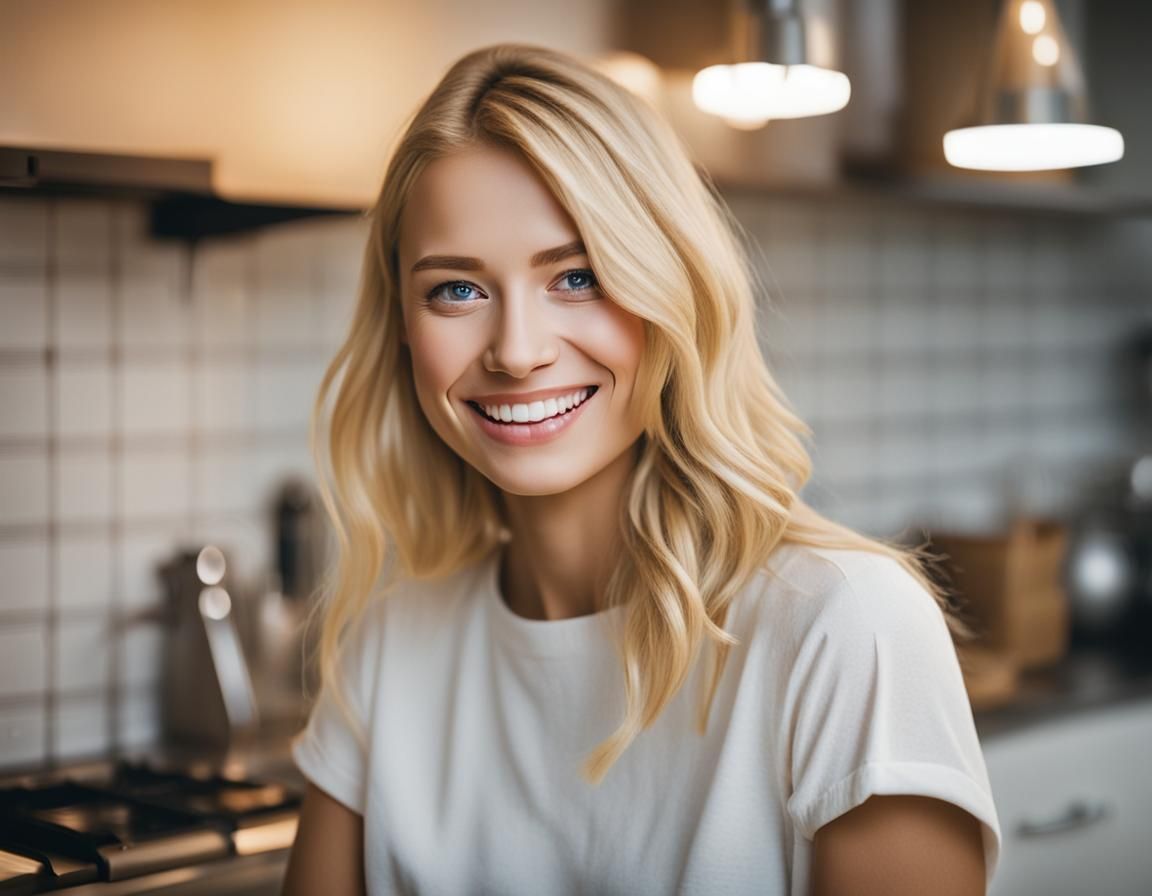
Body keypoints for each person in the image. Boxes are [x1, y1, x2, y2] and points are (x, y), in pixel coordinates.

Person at [281, 43, 1001, 896]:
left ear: (672, 291)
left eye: (577, 276)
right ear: (403, 323)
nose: (516, 352)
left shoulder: (844, 630)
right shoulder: (389, 651)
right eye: (457, 291)